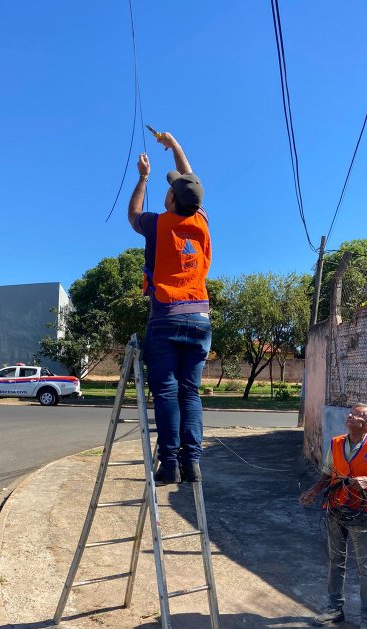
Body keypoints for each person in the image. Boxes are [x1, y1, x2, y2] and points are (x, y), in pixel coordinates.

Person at [128, 132, 211, 485]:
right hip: (200, 318)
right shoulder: (201, 220)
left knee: (165, 391)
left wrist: (143, 177)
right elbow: (190, 179)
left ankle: (169, 464)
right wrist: (174, 145)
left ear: (171, 198)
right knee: (189, 392)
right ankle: (192, 464)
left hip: (166, 315)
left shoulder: (158, 223)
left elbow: (133, 214)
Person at [299, 404, 367, 629]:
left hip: (363, 514)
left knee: (365, 567)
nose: (350, 415)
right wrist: (313, 491)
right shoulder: (336, 443)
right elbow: (328, 474)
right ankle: (334, 610)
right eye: (351, 412)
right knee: (336, 561)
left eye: (357, 414)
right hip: (335, 509)